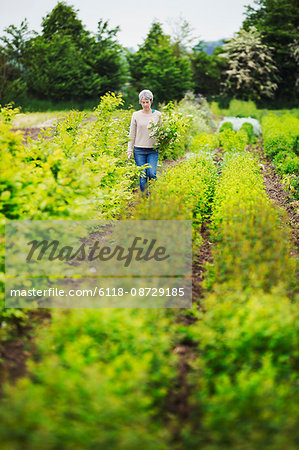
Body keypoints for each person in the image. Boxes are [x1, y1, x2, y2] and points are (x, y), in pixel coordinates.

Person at [127, 89, 162, 196]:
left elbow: (162, 132)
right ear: (140, 102)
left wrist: (163, 142)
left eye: (147, 102)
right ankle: (145, 198)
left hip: (153, 149)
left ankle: (154, 193)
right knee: (142, 176)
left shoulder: (158, 115)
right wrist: (129, 149)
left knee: (151, 173)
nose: (145, 104)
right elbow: (132, 133)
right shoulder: (136, 115)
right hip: (139, 150)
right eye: (143, 102)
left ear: (151, 101)